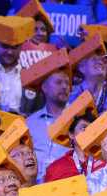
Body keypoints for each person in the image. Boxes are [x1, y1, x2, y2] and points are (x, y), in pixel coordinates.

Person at [24, 51, 72, 183]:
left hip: (69, 186)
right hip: (37, 188)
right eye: (58, 82)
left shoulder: (77, 120)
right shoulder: (30, 123)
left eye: (67, 83)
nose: (64, 87)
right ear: (44, 87)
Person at [44, 111, 104, 182]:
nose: (88, 131)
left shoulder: (105, 162)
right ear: (71, 135)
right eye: (84, 128)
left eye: (91, 128)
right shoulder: (56, 168)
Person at [68, 40, 107, 115]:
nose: (100, 62)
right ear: (82, 67)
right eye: (94, 59)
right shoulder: (71, 94)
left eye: (103, 61)